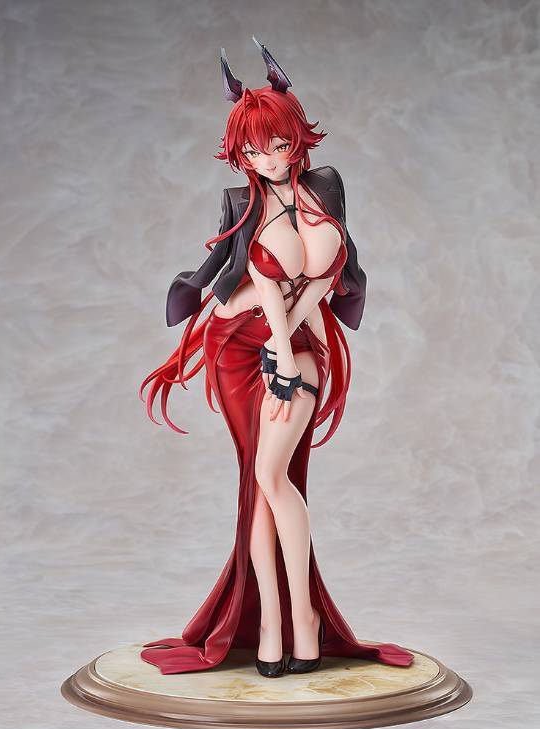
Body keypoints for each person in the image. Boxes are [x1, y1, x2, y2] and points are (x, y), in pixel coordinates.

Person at [138, 38, 414, 677]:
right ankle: (273, 625)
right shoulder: (243, 203)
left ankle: (304, 618)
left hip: (297, 336)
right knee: (260, 481)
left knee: (273, 474)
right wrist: (277, 349)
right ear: (240, 152)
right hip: (239, 344)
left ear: (298, 139)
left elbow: (326, 279)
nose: (268, 159)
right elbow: (260, 282)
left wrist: (289, 346)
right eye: (254, 150)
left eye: (279, 144)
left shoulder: (327, 186)